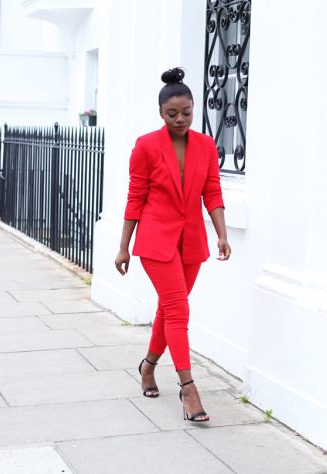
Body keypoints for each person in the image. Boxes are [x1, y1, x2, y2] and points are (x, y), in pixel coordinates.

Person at [115, 67, 231, 423]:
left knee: (169, 309)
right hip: (155, 240)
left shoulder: (206, 145)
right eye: (172, 113)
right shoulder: (147, 146)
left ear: (194, 109)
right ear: (160, 112)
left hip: (191, 241)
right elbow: (136, 197)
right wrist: (123, 246)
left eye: (187, 112)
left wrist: (221, 233)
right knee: (179, 311)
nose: (180, 119)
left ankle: (148, 367)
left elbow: (211, 190)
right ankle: (189, 389)